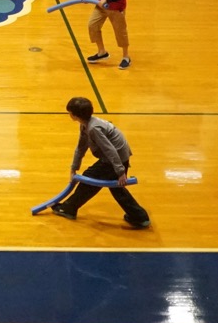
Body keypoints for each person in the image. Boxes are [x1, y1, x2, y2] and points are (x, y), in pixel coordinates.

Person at [51, 96, 150, 228]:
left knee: (88, 179)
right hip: (117, 159)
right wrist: (74, 168)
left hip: (115, 160)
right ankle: (139, 217)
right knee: (116, 189)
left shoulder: (93, 129)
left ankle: (68, 208)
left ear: (75, 115)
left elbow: (110, 150)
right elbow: (81, 147)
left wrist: (120, 171)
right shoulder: (85, 124)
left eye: (69, 112)